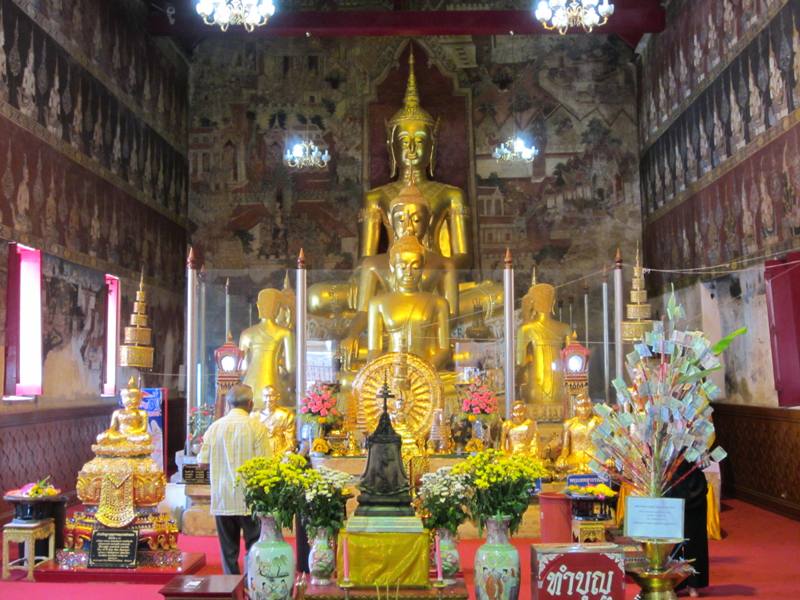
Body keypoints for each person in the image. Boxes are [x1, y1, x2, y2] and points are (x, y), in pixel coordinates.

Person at [197, 384, 270, 574]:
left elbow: (201, 463)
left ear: (228, 404)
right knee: (254, 544)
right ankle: (251, 582)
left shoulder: (215, 428)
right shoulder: (257, 427)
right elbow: (266, 464)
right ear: (251, 404)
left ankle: (232, 588)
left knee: (228, 549)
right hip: (250, 498)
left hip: (223, 496)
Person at [668, 460, 709, 597]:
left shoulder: (698, 439)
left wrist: (703, 456)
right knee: (672, 539)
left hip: (693, 486)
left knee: (695, 538)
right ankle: (674, 582)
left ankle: (694, 583)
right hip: (671, 484)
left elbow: (704, 456)